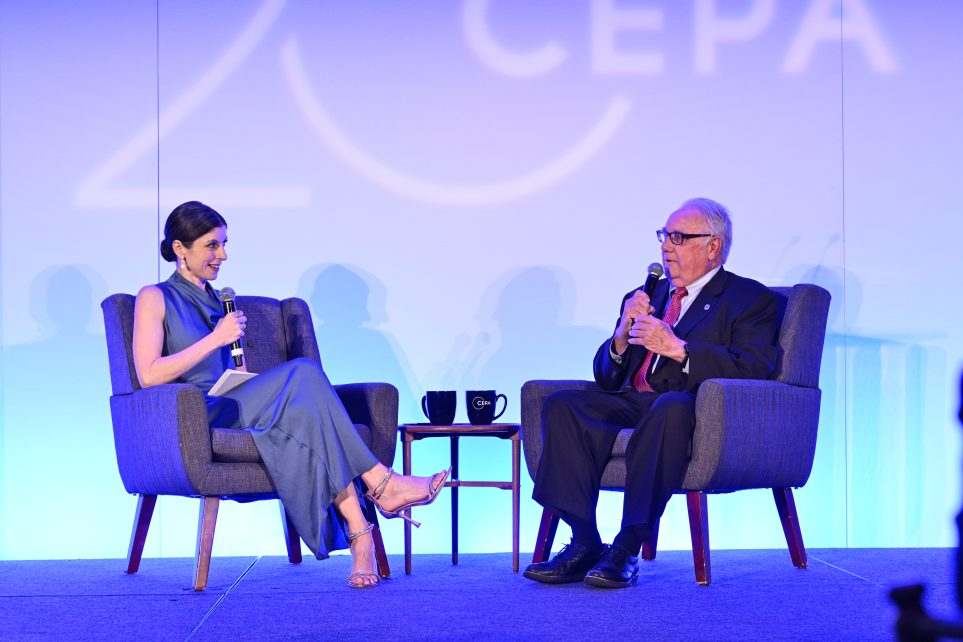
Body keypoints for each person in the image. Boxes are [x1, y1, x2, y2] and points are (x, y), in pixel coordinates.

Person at [133, 201, 449, 589]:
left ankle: (359, 532)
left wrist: (237, 361)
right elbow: (148, 375)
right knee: (304, 372)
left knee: (309, 403)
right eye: (212, 246)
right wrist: (216, 338)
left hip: (237, 399)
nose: (223, 255)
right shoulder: (154, 296)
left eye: (224, 244)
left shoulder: (221, 301)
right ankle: (382, 484)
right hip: (198, 411)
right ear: (180, 248)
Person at [523, 197, 781, 588]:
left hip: (692, 406)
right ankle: (585, 541)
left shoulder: (748, 298)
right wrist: (621, 336)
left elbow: (754, 365)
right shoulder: (650, 294)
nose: (666, 247)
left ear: (713, 246)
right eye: (664, 236)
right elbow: (608, 379)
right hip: (634, 401)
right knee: (564, 405)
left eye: (678, 237)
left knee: (670, 409)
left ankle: (626, 547)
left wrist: (679, 349)